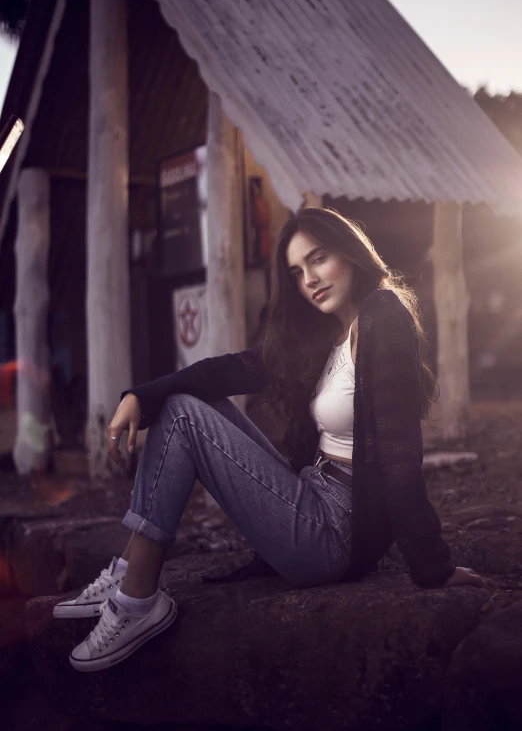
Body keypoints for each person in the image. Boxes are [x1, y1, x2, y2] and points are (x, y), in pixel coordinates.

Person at [53, 207, 484, 672]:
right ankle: (127, 571)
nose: (310, 280)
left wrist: (431, 565)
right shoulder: (328, 335)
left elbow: (401, 453)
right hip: (313, 493)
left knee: (182, 415)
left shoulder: (384, 315)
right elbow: (231, 369)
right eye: (298, 272)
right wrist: (141, 395)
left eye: (318, 259)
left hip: (334, 536)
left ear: (350, 252)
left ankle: (136, 600)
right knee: (188, 403)